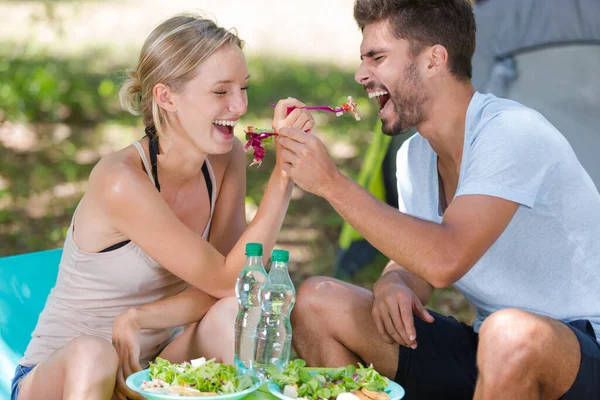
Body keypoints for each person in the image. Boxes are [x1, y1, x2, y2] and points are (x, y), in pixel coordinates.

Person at [277, 1, 600, 399]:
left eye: (377, 57)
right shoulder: (415, 156)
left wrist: (331, 183)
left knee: (510, 333)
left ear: (434, 59)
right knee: (315, 303)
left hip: (582, 350)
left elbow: (445, 259)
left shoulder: (512, 133)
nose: (361, 74)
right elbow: (420, 262)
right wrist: (395, 280)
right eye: (363, 59)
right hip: (493, 348)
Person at [10, 14, 315, 400]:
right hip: (65, 376)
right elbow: (224, 277)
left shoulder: (225, 159)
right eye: (221, 92)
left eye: (244, 88)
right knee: (95, 354)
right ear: (166, 96)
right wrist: (281, 177)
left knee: (231, 315)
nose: (239, 106)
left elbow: (233, 285)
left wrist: (141, 317)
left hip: (150, 369)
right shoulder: (120, 180)